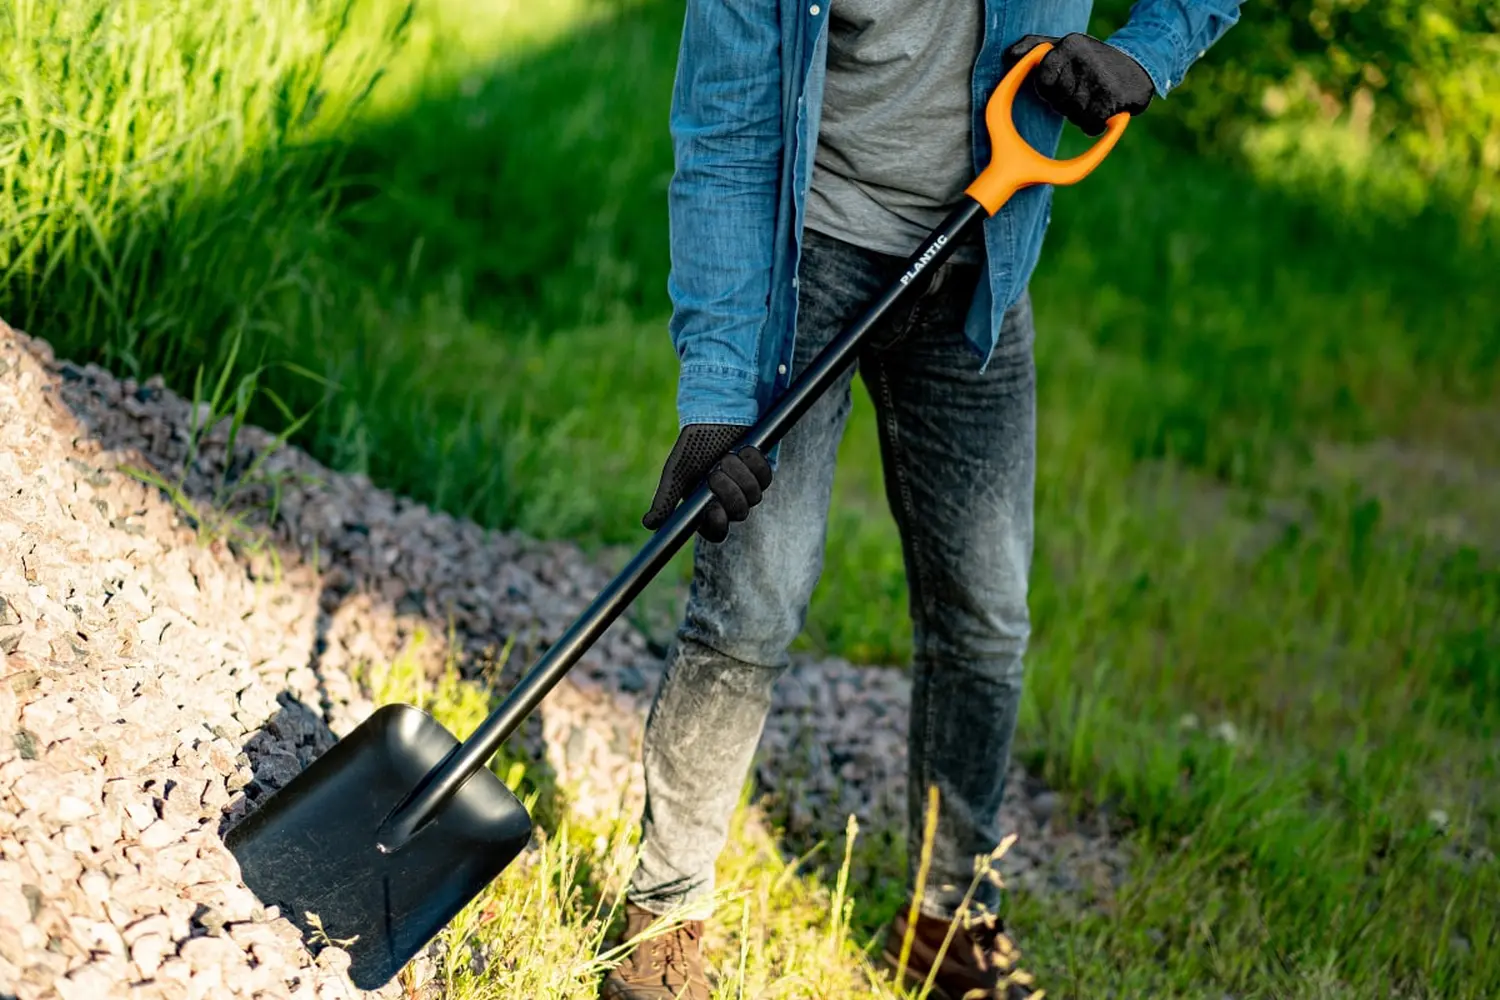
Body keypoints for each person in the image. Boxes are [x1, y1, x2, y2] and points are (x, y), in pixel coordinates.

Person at [602, 3, 1241, 998]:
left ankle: (947, 919)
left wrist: (1144, 56)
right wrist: (720, 396)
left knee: (986, 616)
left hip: (986, 254)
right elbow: (725, 137)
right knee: (751, 604)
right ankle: (664, 914)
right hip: (807, 254)